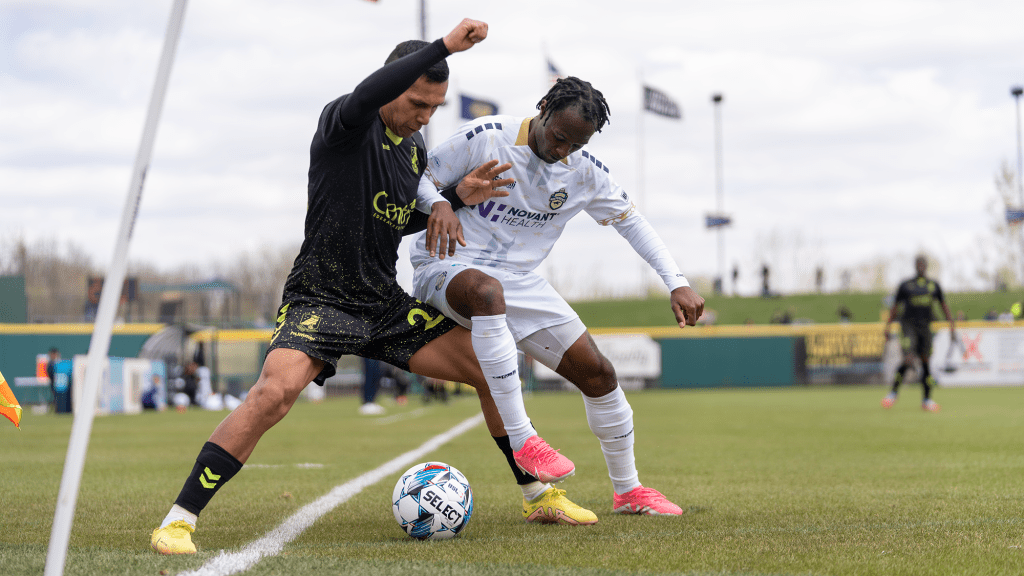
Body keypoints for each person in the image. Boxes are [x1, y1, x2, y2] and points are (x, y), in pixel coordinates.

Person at [150, 20, 575, 555]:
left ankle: (536, 495)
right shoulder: (345, 123)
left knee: (492, 367)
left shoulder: (413, 152)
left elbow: (391, 222)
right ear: (389, 86)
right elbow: (368, 94)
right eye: (418, 103)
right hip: (321, 299)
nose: (424, 117)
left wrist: (455, 199)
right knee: (272, 395)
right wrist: (443, 46)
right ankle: (179, 520)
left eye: (434, 108)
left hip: (381, 303)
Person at [409, 76, 705, 521]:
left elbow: (632, 222)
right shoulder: (486, 136)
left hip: (521, 283)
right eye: (558, 136)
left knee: (600, 374)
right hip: (447, 266)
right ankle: (525, 439)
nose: (562, 149)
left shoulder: (584, 171)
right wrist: (440, 203)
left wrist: (676, 281)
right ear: (543, 107)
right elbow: (418, 177)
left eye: (575, 143)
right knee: (488, 292)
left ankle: (629, 492)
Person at [881, 255, 955, 412]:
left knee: (925, 362)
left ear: (926, 266)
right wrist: (887, 327)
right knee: (908, 359)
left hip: (926, 328)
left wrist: (952, 326)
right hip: (908, 326)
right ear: (915, 265)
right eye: (918, 264)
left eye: (923, 264)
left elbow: (943, 305)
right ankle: (893, 394)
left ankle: (927, 400)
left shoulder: (933, 285)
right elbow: (895, 307)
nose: (921, 266)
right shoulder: (906, 285)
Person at [45, 347, 60, 412]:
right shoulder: (50, 363)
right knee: (54, 396)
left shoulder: (58, 362)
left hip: (60, 382)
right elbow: (49, 372)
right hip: (53, 382)